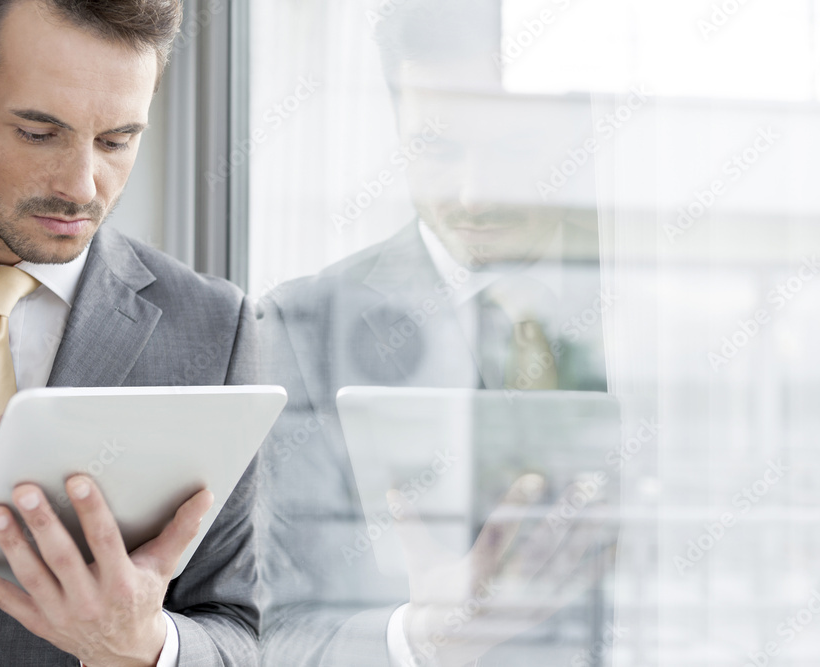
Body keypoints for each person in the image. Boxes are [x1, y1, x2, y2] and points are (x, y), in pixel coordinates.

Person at [257, 1, 613, 665]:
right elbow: (274, 635)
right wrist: (418, 640)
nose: (475, 195)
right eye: (436, 148)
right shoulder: (301, 329)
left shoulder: (647, 307)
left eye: (513, 147)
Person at [0, 1, 260, 665]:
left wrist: (146, 646)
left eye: (117, 141)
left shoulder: (215, 329)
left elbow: (242, 630)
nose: (80, 185)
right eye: (39, 132)